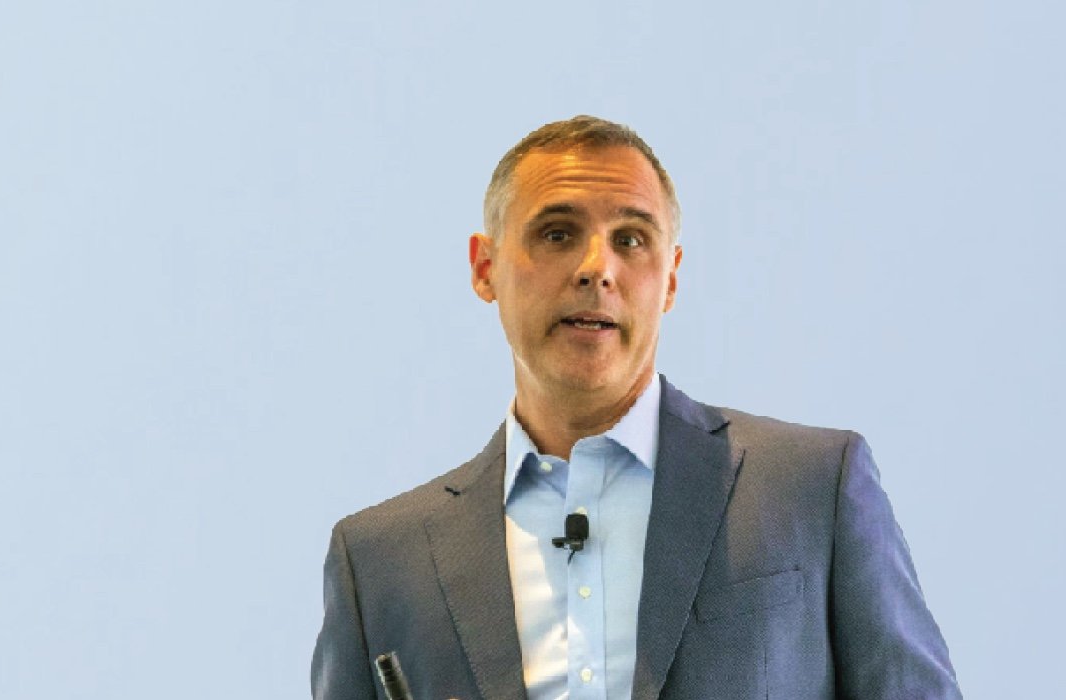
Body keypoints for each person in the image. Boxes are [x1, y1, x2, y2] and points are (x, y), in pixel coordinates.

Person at [311, 115, 960, 700]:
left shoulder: (814, 489)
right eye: (558, 233)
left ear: (670, 277)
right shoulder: (376, 562)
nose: (598, 268)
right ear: (485, 268)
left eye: (631, 239)